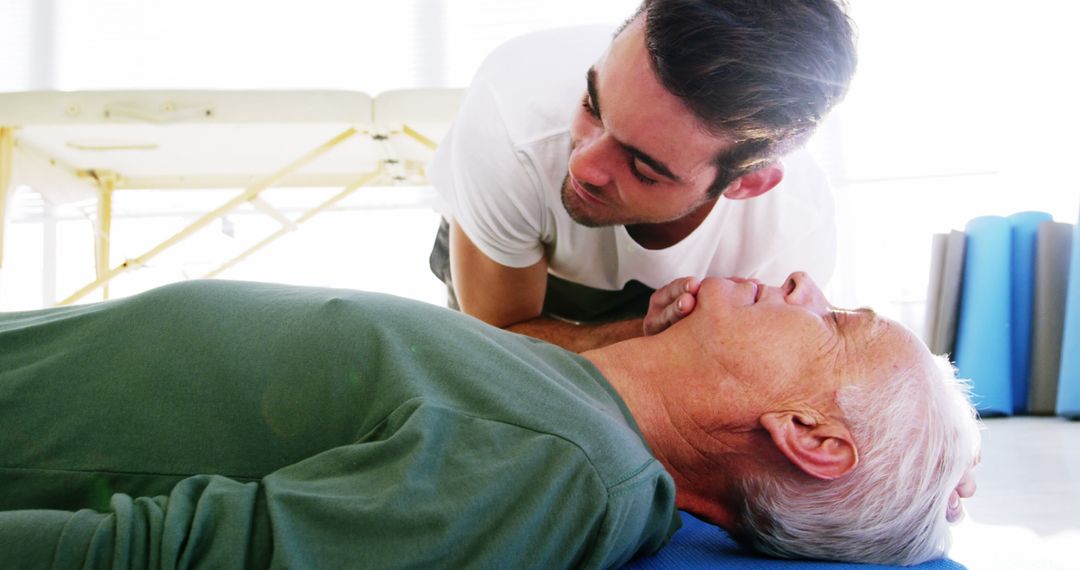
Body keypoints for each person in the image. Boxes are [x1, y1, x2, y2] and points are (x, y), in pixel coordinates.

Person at [0, 272, 979, 567]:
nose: (806, 285)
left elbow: (153, 561)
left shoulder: (562, 471)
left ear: (810, 434)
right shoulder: (566, 398)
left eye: (836, 320)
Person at [428, 0, 858, 351]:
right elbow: (500, 339)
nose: (582, 166)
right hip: (511, 250)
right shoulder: (511, 122)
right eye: (592, 106)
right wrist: (645, 336)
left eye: (643, 167)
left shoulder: (788, 242)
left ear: (745, 184)